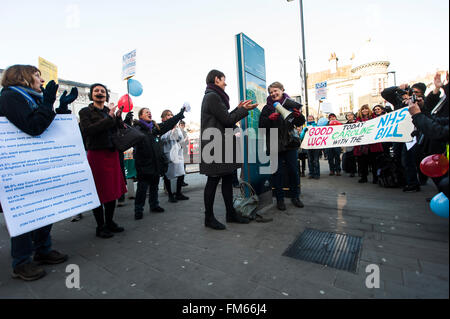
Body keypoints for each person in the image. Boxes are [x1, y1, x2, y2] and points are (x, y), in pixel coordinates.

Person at [0, 65, 76, 281]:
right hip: (19, 168)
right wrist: (47, 103)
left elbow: (48, 126)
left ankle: (43, 249)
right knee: (24, 212)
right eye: (37, 75)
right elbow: (34, 127)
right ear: (23, 77)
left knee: (44, 207)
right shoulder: (10, 97)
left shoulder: (31, 98)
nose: (41, 79)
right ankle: (21, 262)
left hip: (37, 165)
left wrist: (60, 108)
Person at [200, 69, 257, 230]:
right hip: (215, 146)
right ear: (216, 79)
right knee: (212, 181)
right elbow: (227, 120)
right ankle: (209, 218)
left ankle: (230, 214)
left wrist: (238, 108)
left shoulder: (215, 96)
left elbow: (224, 117)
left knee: (226, 179)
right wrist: (245, 110)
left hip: (220, 145)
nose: (226, 83)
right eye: (224, 79)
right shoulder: (212, 96)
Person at [79, 83, 127, 239]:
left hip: (111, 153)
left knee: (112, 190)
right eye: (96, 91)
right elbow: (87, 131)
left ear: (106, 95)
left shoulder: (109, 111)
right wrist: (109, 119)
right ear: (92, 95)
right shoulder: (85, 111)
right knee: (98, 192)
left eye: (102, 91)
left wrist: (118, 118)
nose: (99, 93)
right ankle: (100, 226)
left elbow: (119, 129)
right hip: (96, 154)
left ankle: (110, 221)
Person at [259, 81, 306, 211]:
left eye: (276, 91)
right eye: (271, 92)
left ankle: (295, 196)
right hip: (274, 143)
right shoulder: (267, 108)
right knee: (277, 173)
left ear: (281, 90)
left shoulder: (290, 104)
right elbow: (261, 126)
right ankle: (280, 200)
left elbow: (299, 122)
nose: (273, 94)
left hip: (290, 143)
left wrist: (298, 116)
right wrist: (269, 119)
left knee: (293, 171)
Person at [132, 107, 185, 219]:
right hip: (144, 164)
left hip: (155, 163)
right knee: (142, 188)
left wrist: (180, 114)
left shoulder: (155, 128)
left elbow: (169, 123)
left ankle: (154, 204)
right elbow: (127, 134)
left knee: (154, 186)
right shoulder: (137, 129)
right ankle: (138, 209)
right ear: (140, 116)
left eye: (150, 112)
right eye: (146, 112)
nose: (149, 113)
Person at [160, 109, 189, 203]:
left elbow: (180, 139)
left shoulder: (176, 128)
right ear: (164, 118)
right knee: (167, 175)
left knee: (181, 173)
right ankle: (170, 195)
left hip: (178, 153)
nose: (171, 116)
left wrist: (176, 132)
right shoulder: (162, 127)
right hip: (167, 153)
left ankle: (178, 193)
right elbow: (162, 139)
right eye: (168, 115)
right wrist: (171, 132)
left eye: (172, 114)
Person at [353, 104, 383, 183]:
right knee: (363, 162)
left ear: (368, 110)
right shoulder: (358, 120)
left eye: (366, 109)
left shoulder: (374, 118)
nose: (364, 110)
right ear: (361, 111)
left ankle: (375, 178)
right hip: (362, 145)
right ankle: (364, 177)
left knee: (374, 162)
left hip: (372, 144)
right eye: (363, 109)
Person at [304, 115, 321, 180]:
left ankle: (317, 174)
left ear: (313, 119)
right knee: (310, 160)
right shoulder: (305, 127)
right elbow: (302, 136)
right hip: (308, 146)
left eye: (311, 119)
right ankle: (311, 173)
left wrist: (316, 128)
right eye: (309, 119)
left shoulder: (316, 126)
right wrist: (304, 131)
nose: (310, 120)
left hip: (315, 146)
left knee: (316, 160)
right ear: (307, 120)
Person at [342, 112, 357, 177]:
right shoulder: (345, 125)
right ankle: (352, 171)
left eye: (350, 115)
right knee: (350, 157)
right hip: (349, 143)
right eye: (348, 115)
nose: (349, 116)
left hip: (357, 142)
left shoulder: (357, 123)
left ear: (353, 116)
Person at [179, 120, 189, 187]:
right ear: (179, 125)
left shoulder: (184, 132)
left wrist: (186, 140)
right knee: (180, 167)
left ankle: (182, 181)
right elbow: (178, 142)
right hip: (179, 151)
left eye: (183, 125)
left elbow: (187, 142)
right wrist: (184, 140)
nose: (183, 126)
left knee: (184, 167)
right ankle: (179, 182)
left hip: (184, 151)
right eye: (181, 125)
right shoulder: (177, 132)